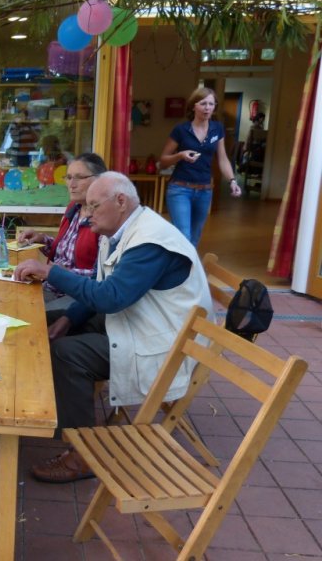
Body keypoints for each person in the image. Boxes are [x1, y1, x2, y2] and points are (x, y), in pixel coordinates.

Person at [14, 172, 213, 484]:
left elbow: (111, 297)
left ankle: (83, 455)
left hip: (165, 345)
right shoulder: (124, 231)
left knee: (66, 353)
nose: (87, 215)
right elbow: (102, 285)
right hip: (139, 322)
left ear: (121, 201)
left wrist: (51, 272)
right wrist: (69, 318)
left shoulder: (150, 241)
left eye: (94, 206)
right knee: (45, 322)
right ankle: (40, 407)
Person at [16, 152, 107, 313]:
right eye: (68, 177)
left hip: (74, 297)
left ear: (100, 180)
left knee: (26, 313)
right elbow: (65, 253)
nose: (71, 184)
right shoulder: (74, 208)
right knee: (9, 300)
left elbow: (101, 277)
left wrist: (54, 272)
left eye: (79, 177)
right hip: (50, 286)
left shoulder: (105, 219)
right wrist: (42, 239)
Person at [159, 86, 241, 247]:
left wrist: (232, 180)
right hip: (180, 189)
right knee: (184, 235)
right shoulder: (181, 130)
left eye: (211, 104)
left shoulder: (217, 129)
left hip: (205, 190)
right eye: (203, 103)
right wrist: (180, 155)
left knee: (194, 237)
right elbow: (163, 161)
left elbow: (223, 158)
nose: (207, 108)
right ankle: (180, 263)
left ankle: (185, 264)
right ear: (193, 106)